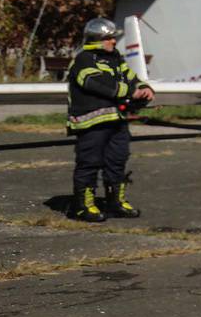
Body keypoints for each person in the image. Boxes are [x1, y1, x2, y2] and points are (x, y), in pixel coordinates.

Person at [65, 17, 152, 222]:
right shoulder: (84, 60)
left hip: (116, 121)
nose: (113, 42)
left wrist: (143, 88)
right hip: (91, 124)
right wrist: (130, 91)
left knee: (117, 160)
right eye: (109, 38)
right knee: (89, 163)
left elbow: (131, 77)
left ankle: (115, 203)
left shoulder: (115, 59)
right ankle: (83, 207)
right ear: (97, 39)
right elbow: (96, 83)